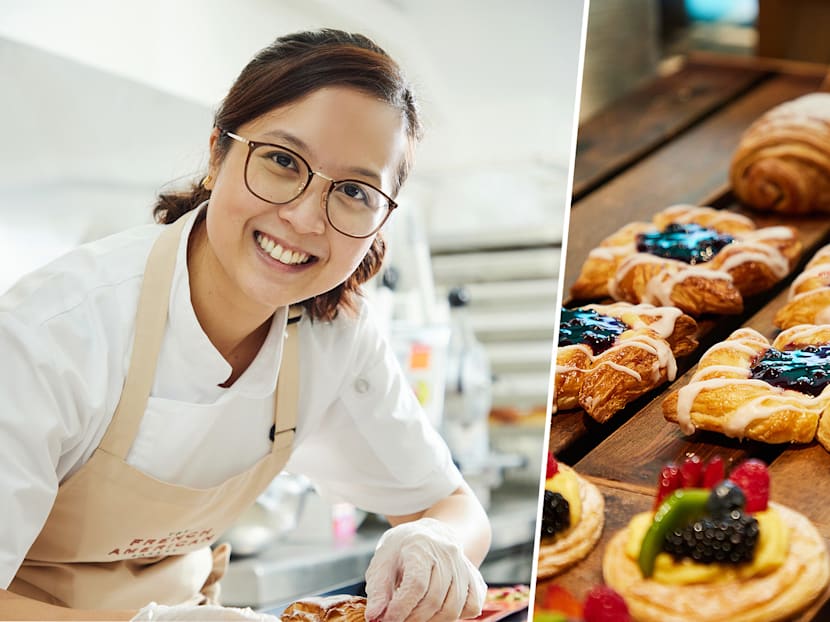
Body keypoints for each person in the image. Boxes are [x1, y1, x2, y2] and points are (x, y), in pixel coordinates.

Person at [0, 29, 490, 621]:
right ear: (217, 154)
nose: (306, 218)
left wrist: (433, 542)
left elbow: (452, 506)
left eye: (355, 192)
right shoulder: (54, 331)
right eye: (283, 161)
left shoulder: (333, 337)